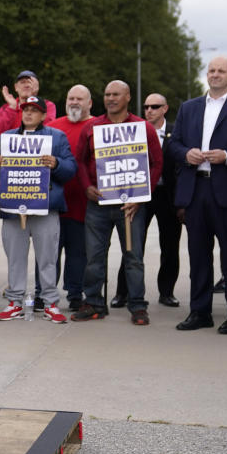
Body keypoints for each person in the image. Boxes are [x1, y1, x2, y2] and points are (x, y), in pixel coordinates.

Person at [166, 56, 227, 334]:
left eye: (222, 71)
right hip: (195, 189)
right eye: (212, 70)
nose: (216, 75)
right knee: (198, 254)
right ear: (206, 75)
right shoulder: (189, 108)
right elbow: (173, 145)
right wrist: (186, 153)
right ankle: (200, 312)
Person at [72, 81, 162, 325]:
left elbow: (157, 163)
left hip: (130, 206)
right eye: (107, 94)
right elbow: (79, 160)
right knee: (94, 257)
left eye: (116, 94)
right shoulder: (92, 127)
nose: (110, 98)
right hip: (98, 204)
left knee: (133, 257)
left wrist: (143, 197)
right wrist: (86, 187)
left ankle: (137, 306)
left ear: (128, 97)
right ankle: (93, 303)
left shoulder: (143, 128)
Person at [0, 96, 75, 323]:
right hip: (13, 208)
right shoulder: (6, 138)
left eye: (34, 111)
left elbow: (70, 169)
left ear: (44, 115)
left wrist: (56, 163)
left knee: (48, 258)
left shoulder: (56, 137)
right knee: (15, 258)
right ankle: (15, 301)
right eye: (25, 110)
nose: (28, 114)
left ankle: (50, 303)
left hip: (45, 207)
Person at [111, 93, 182, 308]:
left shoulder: (176, 132)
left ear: (165, 108)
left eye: (155, 106)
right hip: (140, 194)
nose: (149, 110)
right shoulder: (134, 130)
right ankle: (122, 292)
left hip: (168, 194)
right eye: (146, 107)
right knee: (132, 242)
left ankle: (167, 291)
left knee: (170, 245)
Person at [46, 84, 93, 311]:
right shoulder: (52, 128)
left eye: (79, 99)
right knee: (50, 251)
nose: (74, 102)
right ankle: (45, 292)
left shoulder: (97, 127)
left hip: (84, 203)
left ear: (89, 103)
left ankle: (75, 293)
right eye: (71, 98)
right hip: (54, 202)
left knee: (78, 253)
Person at [0, 70, 58, 141]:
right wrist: (12, 108)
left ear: (37, 86)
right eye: (22, 82)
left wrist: (32, 100)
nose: (26, 85)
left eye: (30, 82)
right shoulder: (7, 108)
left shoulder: (47, 105)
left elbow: (48, 134)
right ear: (16, 87)